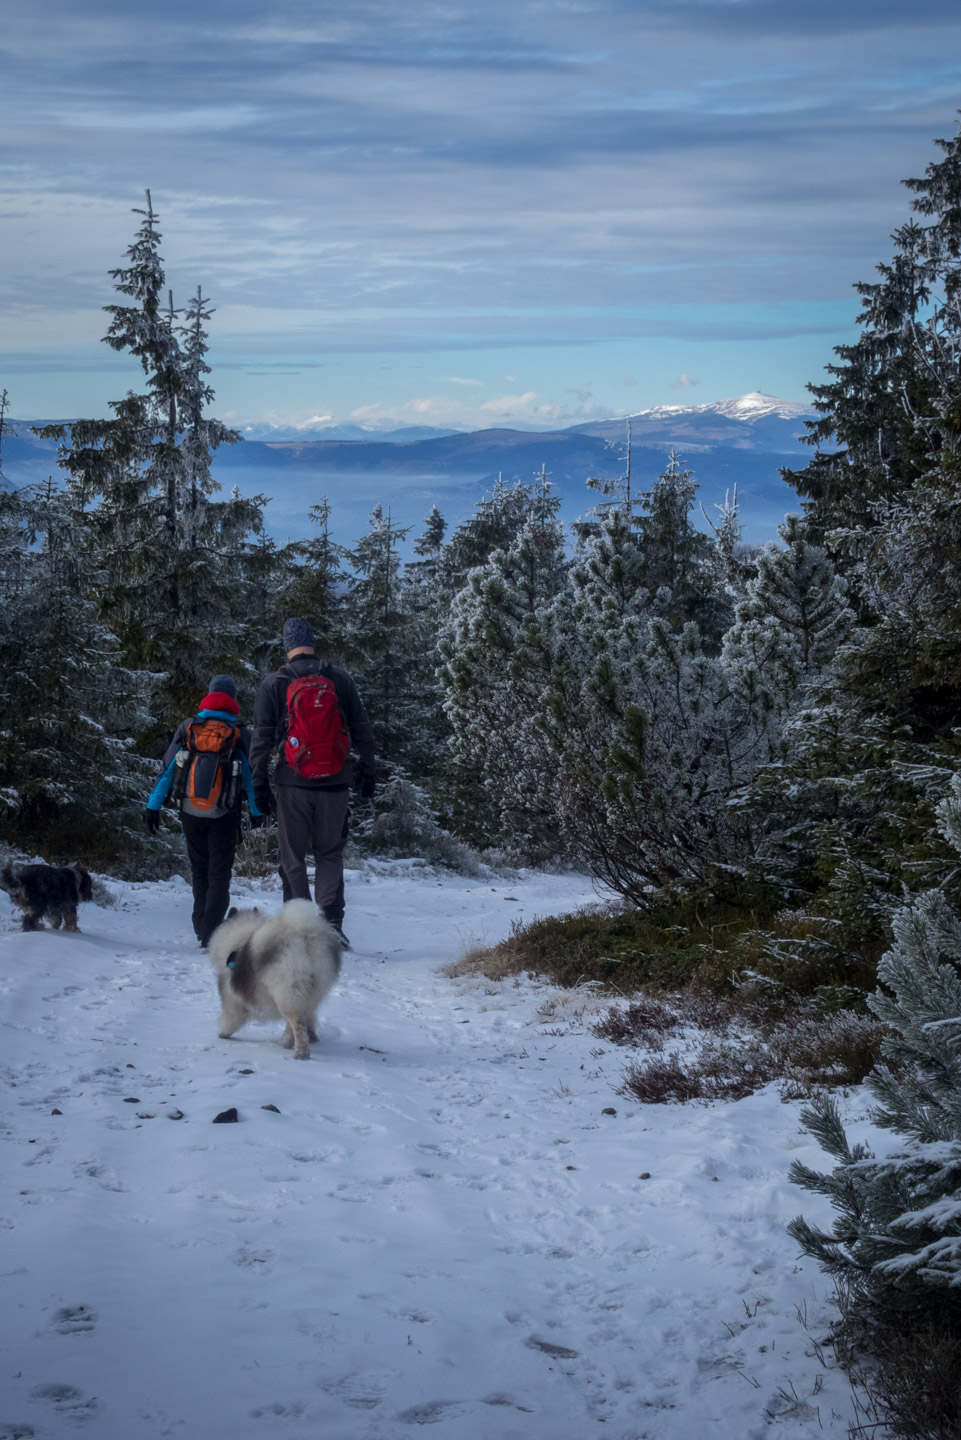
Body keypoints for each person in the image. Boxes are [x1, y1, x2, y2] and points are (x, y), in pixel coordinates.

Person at [249, 618, 375, 948]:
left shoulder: (274, 682)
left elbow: (261, 738)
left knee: (292, 856)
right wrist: (369, 769)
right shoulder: (339, 679)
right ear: (312, 643)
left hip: (293, 783)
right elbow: (362, 728)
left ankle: (300, 928)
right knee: (329, 854)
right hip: (336, 781)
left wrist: (258, 781)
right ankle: (331, 925)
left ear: (287, 645)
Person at [143, 675, 263, 948]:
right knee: (220, 874)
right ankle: (210, 931)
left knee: (200, 871)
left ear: (209, 695)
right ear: (232, 698)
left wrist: (153, 806)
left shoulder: (189, 727)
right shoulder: (239, 732)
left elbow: (168, 769)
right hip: (225, 813)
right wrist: (256, 811)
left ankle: (201, 925)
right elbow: (250, 776)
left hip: (191, 810)